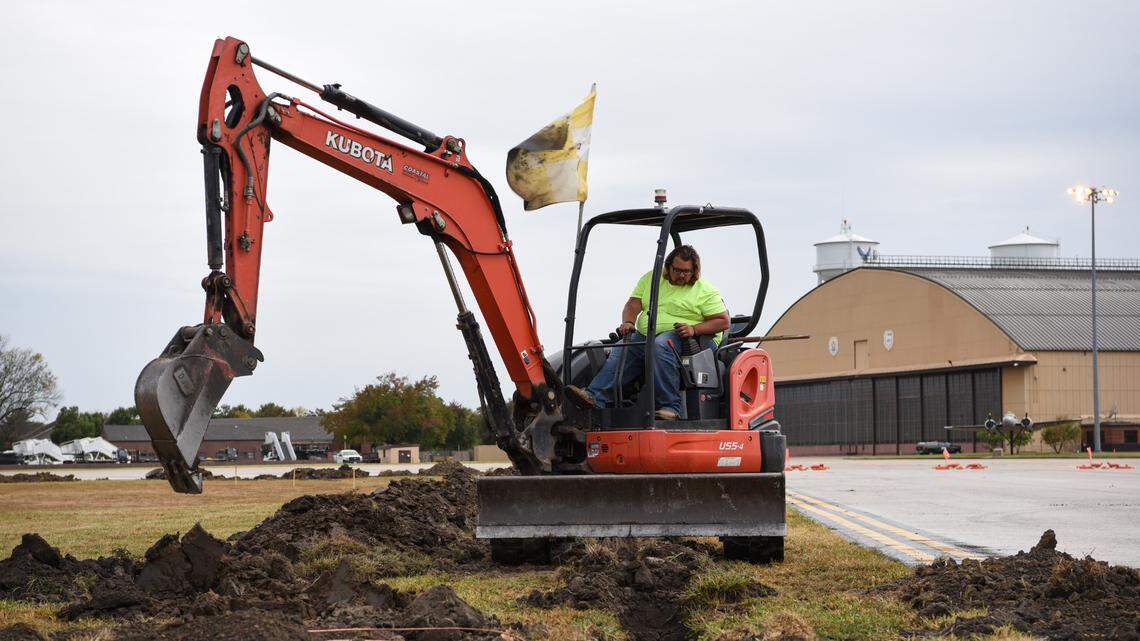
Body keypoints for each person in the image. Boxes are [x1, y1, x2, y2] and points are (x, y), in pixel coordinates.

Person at [568, 245, 730, 419]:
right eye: (677, 270)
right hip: (648, 334)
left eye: (687, 271)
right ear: (668, 266)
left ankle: (672, 408)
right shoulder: (652, 279)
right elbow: (633, 304)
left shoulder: (705, 290)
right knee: (625, 345)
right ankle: (595, 397)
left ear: (694, 271)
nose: (682, 275)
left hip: (693, 340)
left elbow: (723, 321)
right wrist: (629, 322)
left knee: (660, 345)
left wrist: (694, 328)